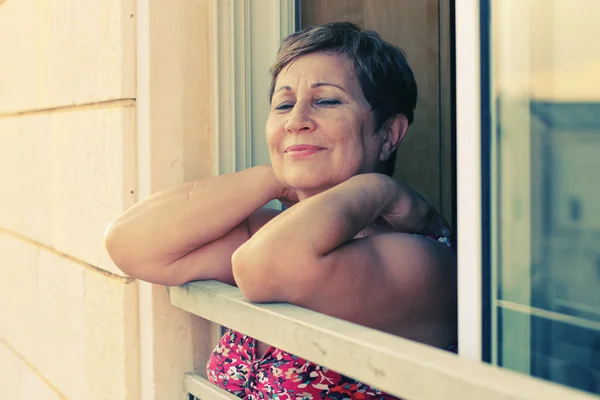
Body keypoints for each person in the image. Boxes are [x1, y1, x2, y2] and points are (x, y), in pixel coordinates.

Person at [105, 22, 457, 400]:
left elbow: (266, 267)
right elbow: (131, 244)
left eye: (326, 100)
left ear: (388, 135)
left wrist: (377, 188)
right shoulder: (273, 232)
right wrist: (275, 180)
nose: (295, 120)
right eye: (284, 104)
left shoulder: (421, 258)